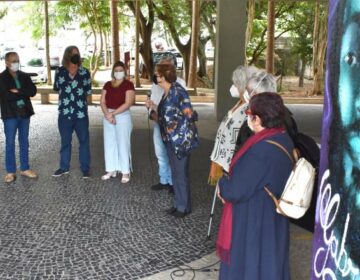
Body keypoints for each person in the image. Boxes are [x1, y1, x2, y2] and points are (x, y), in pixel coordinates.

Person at [216, 92, 293, 280]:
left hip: (255, 220)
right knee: (270, 262)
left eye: (249, 113)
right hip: (274, 215)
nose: (247, 118)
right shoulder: (283, 137)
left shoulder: (261, 149)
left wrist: (222, 184)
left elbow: (236, 191)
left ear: (257, 118)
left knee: (251, 265)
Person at [146, 63, 199, 218]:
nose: (155, 76)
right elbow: (165, 115)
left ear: (163, 76)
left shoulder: (178, 91)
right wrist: (153, 108)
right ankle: (178, 204)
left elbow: (189, 115)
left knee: (181, 174)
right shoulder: (167, 91)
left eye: (157, 73)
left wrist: (176, 128)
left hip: (179, 140)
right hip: (169, 139)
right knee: (176, 173)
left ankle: (184, 207)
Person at [208, 66, 258, 185]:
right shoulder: (240, 102)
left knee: (231, 192)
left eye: (235, 83)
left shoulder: (251, 108)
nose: (233, 87)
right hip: (222, 157)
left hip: (234, 160)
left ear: (243, 85)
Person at [52, 46, 92, 178]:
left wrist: (82, 106)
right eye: (74, 54)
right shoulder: (60, 71)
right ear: (67, 55)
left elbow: (88, 92)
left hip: (81, 114)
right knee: (65, 141)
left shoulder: (85, 72)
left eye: (78, 54)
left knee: (84, 141)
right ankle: (64, 167)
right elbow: (57, 88)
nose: (77, 56)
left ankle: (85, 168)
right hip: (64, 113)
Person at [149, 58, 186, 193]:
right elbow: (153, 101)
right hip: (158, 123)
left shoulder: (179, 84)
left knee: (172, 154)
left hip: (172, 127)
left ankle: (172, 182)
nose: (157, 74)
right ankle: (163, 180)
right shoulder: (155, 84)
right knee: (160, 153)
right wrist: (151, 109)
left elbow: (180, 109)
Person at [0, 52, 38, 183]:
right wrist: (23, 92)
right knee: (10, 143)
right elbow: (6, 96)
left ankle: (25, 168)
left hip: (25, 113)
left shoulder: (24, 76)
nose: (16, 62)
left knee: (24, 141)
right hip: (10, 115)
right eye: (13, 60)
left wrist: (18, 91)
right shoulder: (2, 78)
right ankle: (10, 172)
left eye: (17, 59)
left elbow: (33, 91)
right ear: (7, 62)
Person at [100, 61, 135, 183]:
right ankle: (111, 169)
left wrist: (113, 114)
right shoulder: (108, 85)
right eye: (116, 70)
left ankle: (125, 171)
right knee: (109, 143)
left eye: (121, 70)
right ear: (113, 72)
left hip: (122, 116)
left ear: (125, 72)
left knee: (122, 143)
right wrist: (107, 114)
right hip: (108, 116)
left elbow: (128, 102)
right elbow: (102, 101)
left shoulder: (128, 85)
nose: (118, 72)